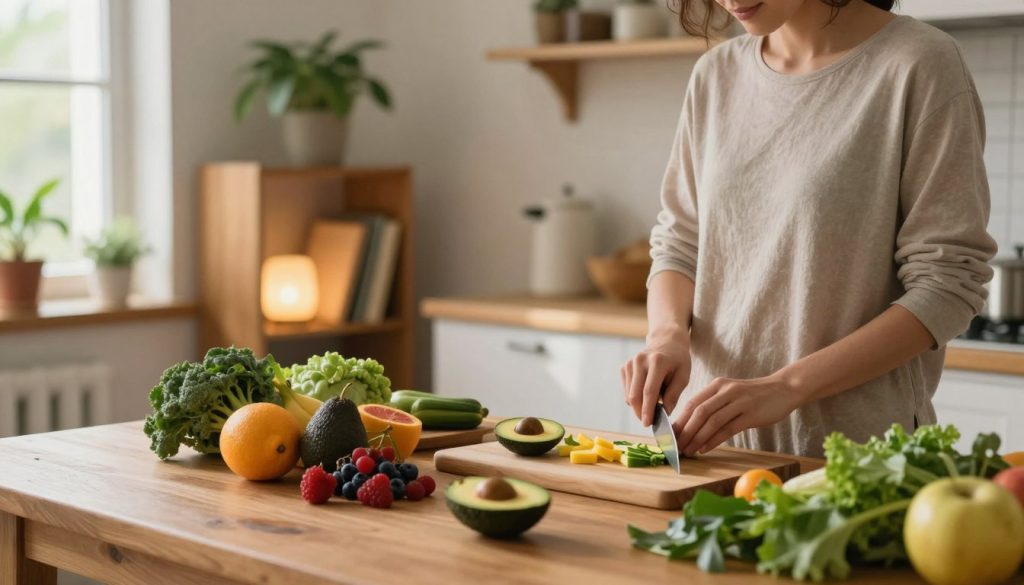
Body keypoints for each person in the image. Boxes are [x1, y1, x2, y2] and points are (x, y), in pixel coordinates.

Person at [620, 0, 995, 458]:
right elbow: (679, 241)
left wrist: (786, 387)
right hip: (715, 450)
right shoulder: (715, 74)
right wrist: (667, 334)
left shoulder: (919, 63)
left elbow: (947, 286)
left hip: (857, 462)